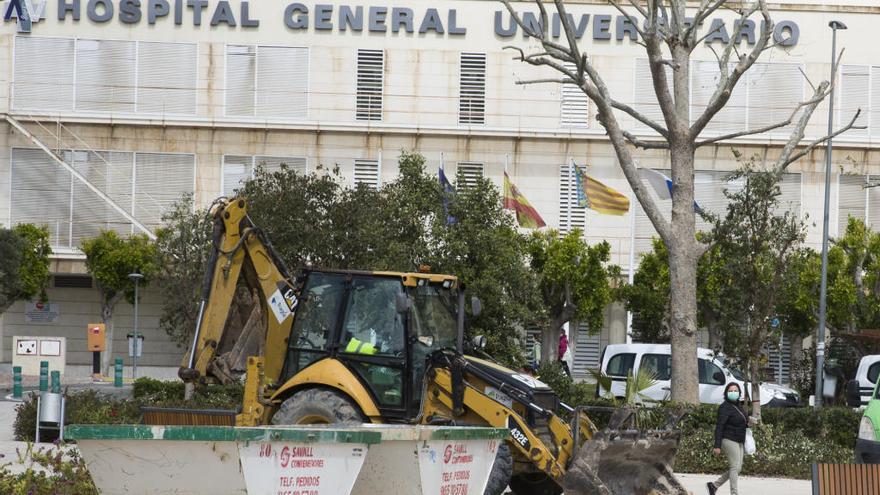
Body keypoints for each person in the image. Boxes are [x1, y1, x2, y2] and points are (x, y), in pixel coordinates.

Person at [707, 382, 749, 495]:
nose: (733, 393)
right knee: (734, 467)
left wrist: (749, 423)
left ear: (739, 393)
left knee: (737, 468)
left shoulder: (738, 405)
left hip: (739, 439)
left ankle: (714, 485)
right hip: (728, 439)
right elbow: (719, 426)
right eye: (730, 391)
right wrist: (717, 445)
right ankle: (734, 493)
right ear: (726, 393)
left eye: (735, 391)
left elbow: (742, 421)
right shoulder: (724, 407)